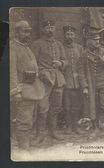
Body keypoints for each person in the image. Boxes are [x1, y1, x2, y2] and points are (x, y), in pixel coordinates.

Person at [31, 20, 67, 144]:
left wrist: (61, 63)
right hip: (44, 80)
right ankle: (40, 134)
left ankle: (54, 131)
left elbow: (65, 61)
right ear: (43, 30)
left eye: (52, 27)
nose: (50, 30)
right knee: (42, 107)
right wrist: (41, 73)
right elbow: (33, 63)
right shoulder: (37, 44)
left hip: (58, 79)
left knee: (56, 107)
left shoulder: (59, 44)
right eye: (47, 28)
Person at [10, 20, 45, 150]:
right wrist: (15, 92)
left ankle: (25, 145)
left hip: (33, 90)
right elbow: (11, 71)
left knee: (31, 119)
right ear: (16, 32)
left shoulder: (26, 47)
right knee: (24, 121)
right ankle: (23, 150)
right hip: (23, 91)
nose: (27, 34)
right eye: (24, 31)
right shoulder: (13, 47)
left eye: (29, 31)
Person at [78, 26, 104, 138]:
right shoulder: (84, 54)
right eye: (95, 40)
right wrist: (84, 86)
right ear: (89, 41)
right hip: (91, 83)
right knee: (93, 107)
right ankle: (96, 129)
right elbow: (80, 72)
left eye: (98, 40)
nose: (97, 42)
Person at [62, 25, 84, 135]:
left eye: (71, 34)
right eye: (67, 34)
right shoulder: (61, 47)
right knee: (66, 106)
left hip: (77, 83)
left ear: (75, 36)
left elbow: (82, 65)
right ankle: (69, 126)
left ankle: (75, 126)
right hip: (65, 82)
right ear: (64, 35)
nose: (69, 36)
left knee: (76, 106)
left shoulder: (79, 48)